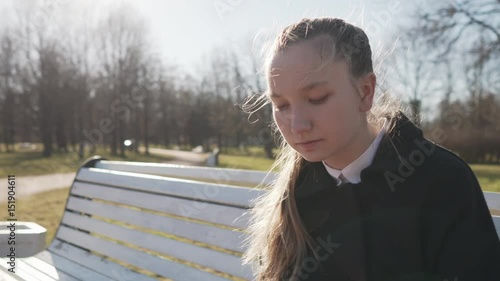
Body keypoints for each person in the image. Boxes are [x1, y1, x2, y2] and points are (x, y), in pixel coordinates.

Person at [241, 17, 500, 281]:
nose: (297, 125)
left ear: (365, 91)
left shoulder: (442, 182)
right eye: (281, 105)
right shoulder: (294, 197)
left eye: (317, 99)